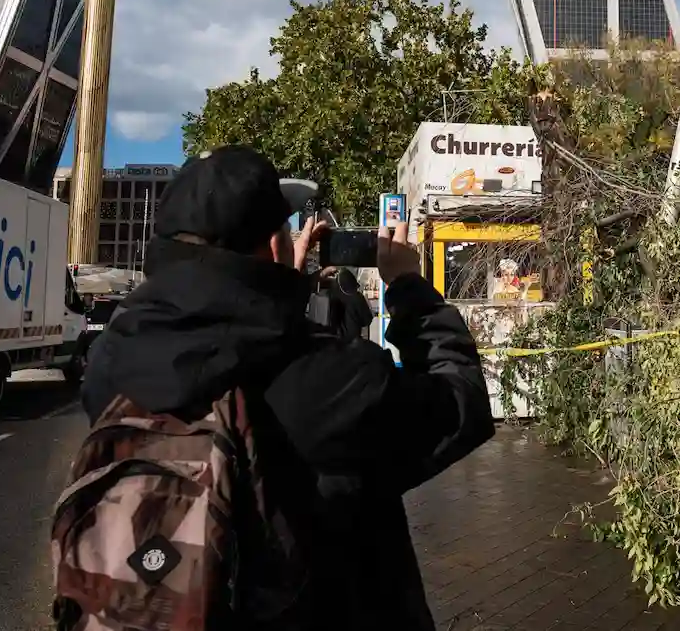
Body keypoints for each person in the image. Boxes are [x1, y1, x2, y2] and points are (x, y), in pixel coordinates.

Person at [78, 145, 493, 630]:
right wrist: (406, 287)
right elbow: (461, 401)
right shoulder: (329, 375)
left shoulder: (110, 358)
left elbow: (219, 342)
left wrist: (275, 293)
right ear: (273, 246)